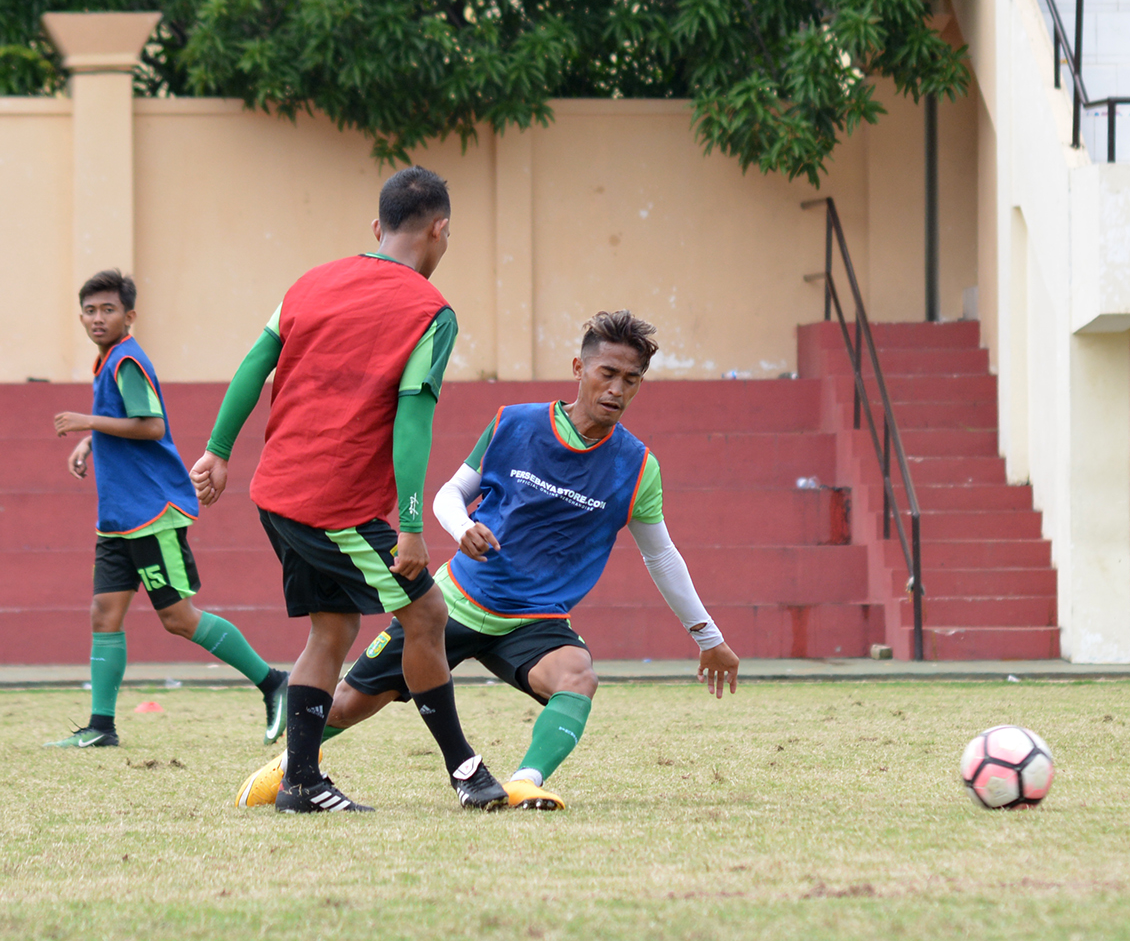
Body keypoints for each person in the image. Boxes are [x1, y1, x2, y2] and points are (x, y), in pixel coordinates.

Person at [234, 310, 741, 811]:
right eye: (607, 373)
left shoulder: (637, 467)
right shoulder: (514, 422)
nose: (617, 389)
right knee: (348, 704)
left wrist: (708, 638)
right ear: (578, 368)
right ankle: (286, 771)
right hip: (452, 602)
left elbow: (662, 556)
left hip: (535, 620)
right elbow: (448, 495)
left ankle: (525, 781)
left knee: (578, 677)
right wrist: (462, 527)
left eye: (632, 380)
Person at [191, 166, 504, 813]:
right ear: (440, 230)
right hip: (335, 508)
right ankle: (465, 772)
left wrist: (218, 451)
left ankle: (302, 782)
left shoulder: (311, 281)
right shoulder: (431, 312)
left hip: (275, 492)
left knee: (330, 630)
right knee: (426, 614)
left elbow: (256, 362)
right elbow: (414, 418)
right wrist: (413, 525)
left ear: (376, 227)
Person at [50, 269, 288, 749]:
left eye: (108, 309)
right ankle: (101, 728)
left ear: (129, 316)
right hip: (119, 519)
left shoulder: (127, 360)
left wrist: (85, 423)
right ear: (81, 317)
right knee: (104, 613)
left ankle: (273, 683)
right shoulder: (108, 360)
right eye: (91, 311)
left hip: (151, 514)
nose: (98, 318)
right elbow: (123, 421)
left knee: (178, 618)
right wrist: (93, 443)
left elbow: (151, 426)